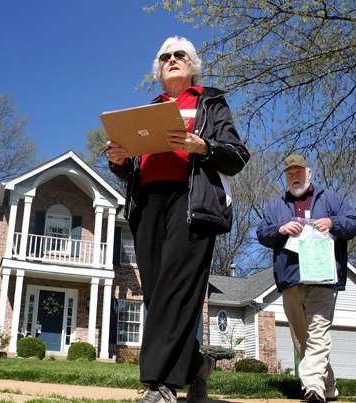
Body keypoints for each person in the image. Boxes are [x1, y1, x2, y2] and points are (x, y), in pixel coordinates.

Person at [107, 36, 249, 403]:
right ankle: (196, 366)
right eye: (164, 56)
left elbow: (236, 155)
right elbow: (133, 168)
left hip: (191, 202)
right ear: (158, 68)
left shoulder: (210, 102)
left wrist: (204, 146)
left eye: (179, 55)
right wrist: (120, 160)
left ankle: (161, 385)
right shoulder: (149, 109)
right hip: (148, 205)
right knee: (157, 293)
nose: (171, 59)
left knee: (175, 288)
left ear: (193, 64)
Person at [256, 154, 356, 403]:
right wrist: (280, 229)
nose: (295, 177)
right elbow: (262, 232)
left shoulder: (331, 198)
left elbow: (354, 224)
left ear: (309, 173)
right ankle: (329, 385)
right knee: (302, 338)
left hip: (324, 276)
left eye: (299, 173)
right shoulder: (276, 205)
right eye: (290, 174)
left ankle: (313, 388)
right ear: (285, 177)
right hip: (291, 278)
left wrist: (332, 222)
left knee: (318, 332)